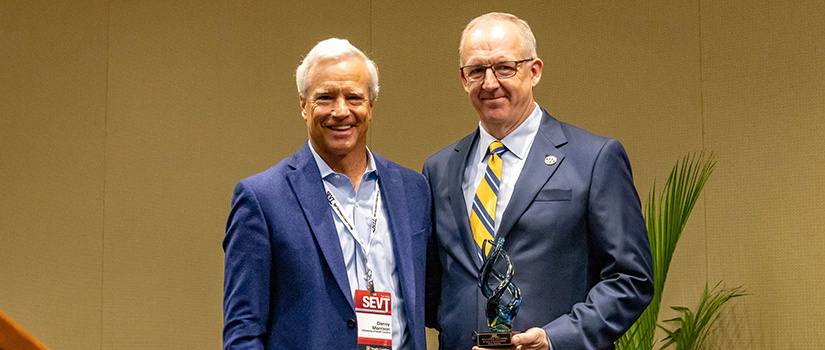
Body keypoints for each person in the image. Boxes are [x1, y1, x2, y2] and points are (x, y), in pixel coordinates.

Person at [423, 12, 654, 350]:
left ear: (534, 71)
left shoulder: (593, 159)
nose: (490, 83)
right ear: (463, 79)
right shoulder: (439, 169)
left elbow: (631, 279)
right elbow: (434, 286)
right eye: (477, 70)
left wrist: (554, 339)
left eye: (504, 67)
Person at [223, 38, 431, 350]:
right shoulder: (262, 199)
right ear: (303, 105)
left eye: (354, 97)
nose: (341, 110)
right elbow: (243, 332)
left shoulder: (413, 190)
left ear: (371, 106)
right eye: (325, 97)